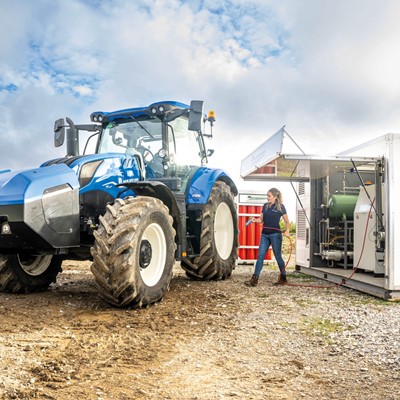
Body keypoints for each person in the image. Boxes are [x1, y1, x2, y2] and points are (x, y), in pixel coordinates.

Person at [245, 187, 290, 287]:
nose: (267, 198)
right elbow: (261, 220)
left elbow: (287, 221)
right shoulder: (265, 206)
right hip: (265, 234)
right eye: (267, 196)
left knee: (278, 256)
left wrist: (287, 230)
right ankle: (254, 279)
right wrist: (254, 220)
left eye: (269, 196)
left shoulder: (280, 207)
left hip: (275, 235)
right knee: (260, 256)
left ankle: (283, 278)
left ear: (274, 196)